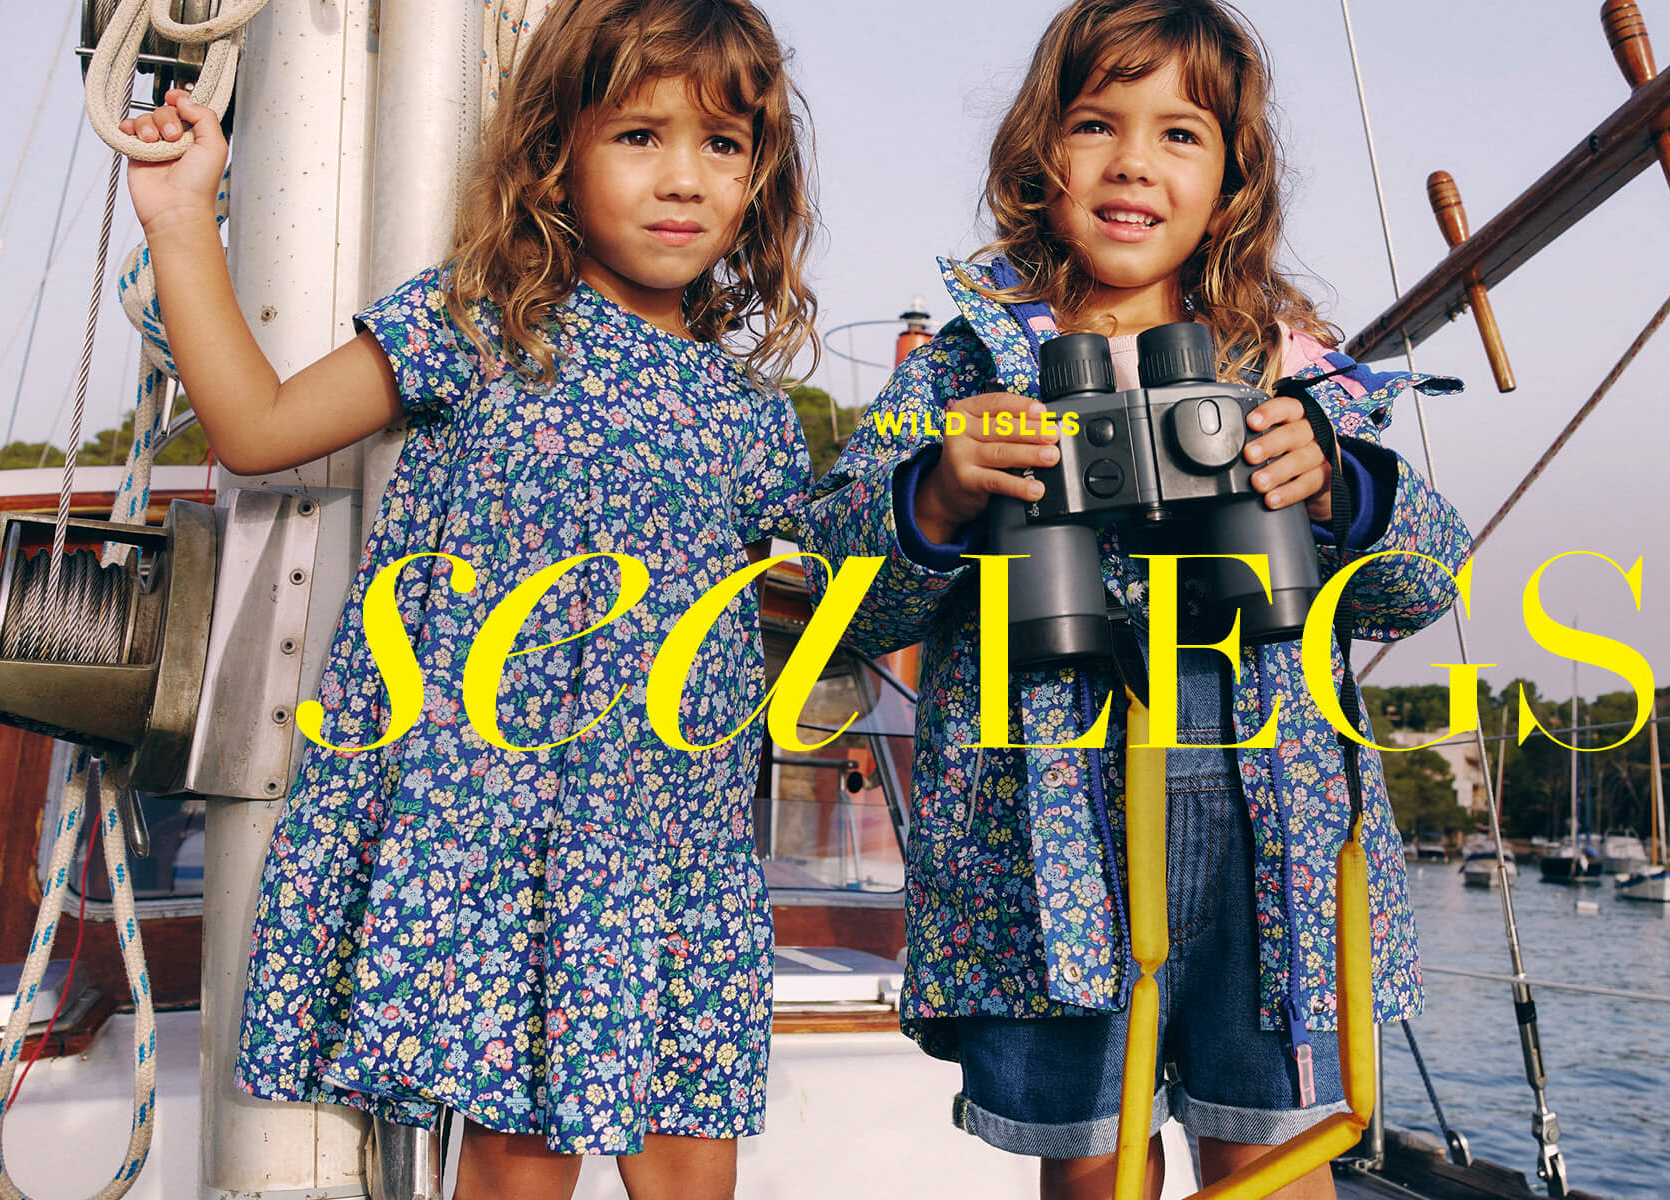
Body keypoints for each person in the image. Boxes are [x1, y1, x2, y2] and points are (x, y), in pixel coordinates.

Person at [115, 1, 818, 1195]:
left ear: (759, 178)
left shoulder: (754, 424)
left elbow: (855, 585)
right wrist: (183, 213)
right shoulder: (486, 327)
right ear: (557, 150)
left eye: (722, 146)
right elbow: (256, 428)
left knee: (695, 1166)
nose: (684, 179)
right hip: (506, 836)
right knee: (515, 1157)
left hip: (672, 857)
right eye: (639, 137)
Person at [801, 1, 1470, 1196]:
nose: (1132, 164)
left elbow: (1422, 581)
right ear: (1038, 156)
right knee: (1097, 1168)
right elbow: (851, 602)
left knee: (1274, 1155)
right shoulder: (969, 366)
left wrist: (1334, 487)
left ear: (1232, 180)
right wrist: (943, 497)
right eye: (1097, 124)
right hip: (1044, 832)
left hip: (1274, 822)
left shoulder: (1286, 366)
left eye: (1180, 135)